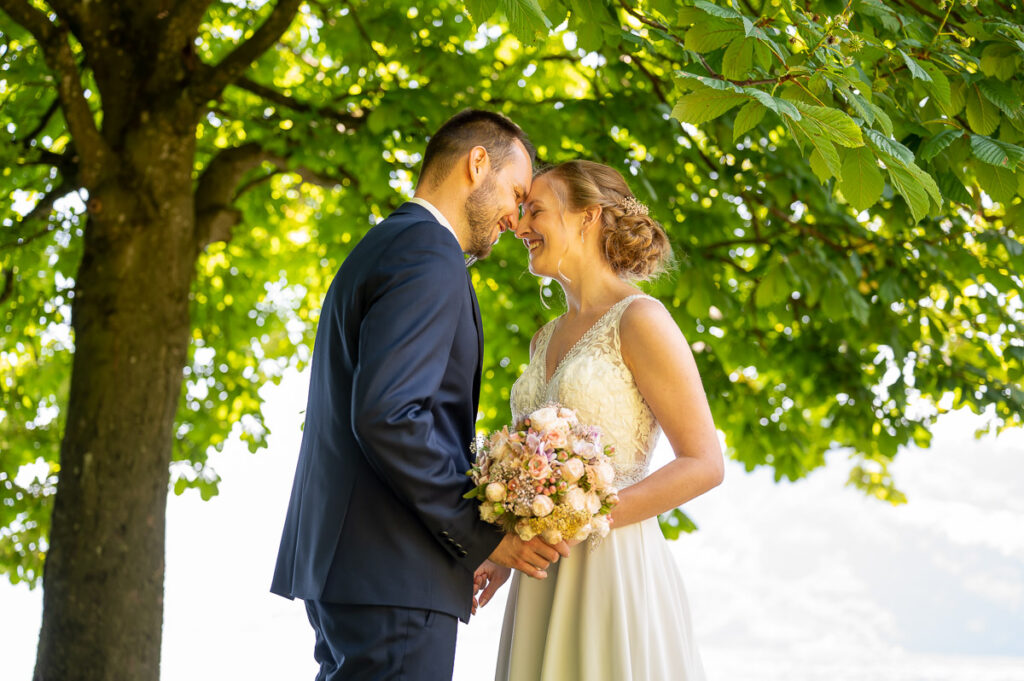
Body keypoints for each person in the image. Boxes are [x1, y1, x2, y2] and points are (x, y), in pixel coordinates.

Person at [270, 109, 570, 681]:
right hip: (394, 574)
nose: (516, 215)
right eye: (515, 192)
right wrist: (481, 537)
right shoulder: (429, 255)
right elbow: (390, 416)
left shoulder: (385, 243)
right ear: (476, 163)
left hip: (355, 567)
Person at [481, 160, 725, 680]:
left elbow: (704, 463)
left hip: (614, 566)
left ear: (588, 216)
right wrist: (506, 548)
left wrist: (580, 519)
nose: (520, 227)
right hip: (543, 570)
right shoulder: (542, 338)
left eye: (536, 211)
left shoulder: (642, 320)